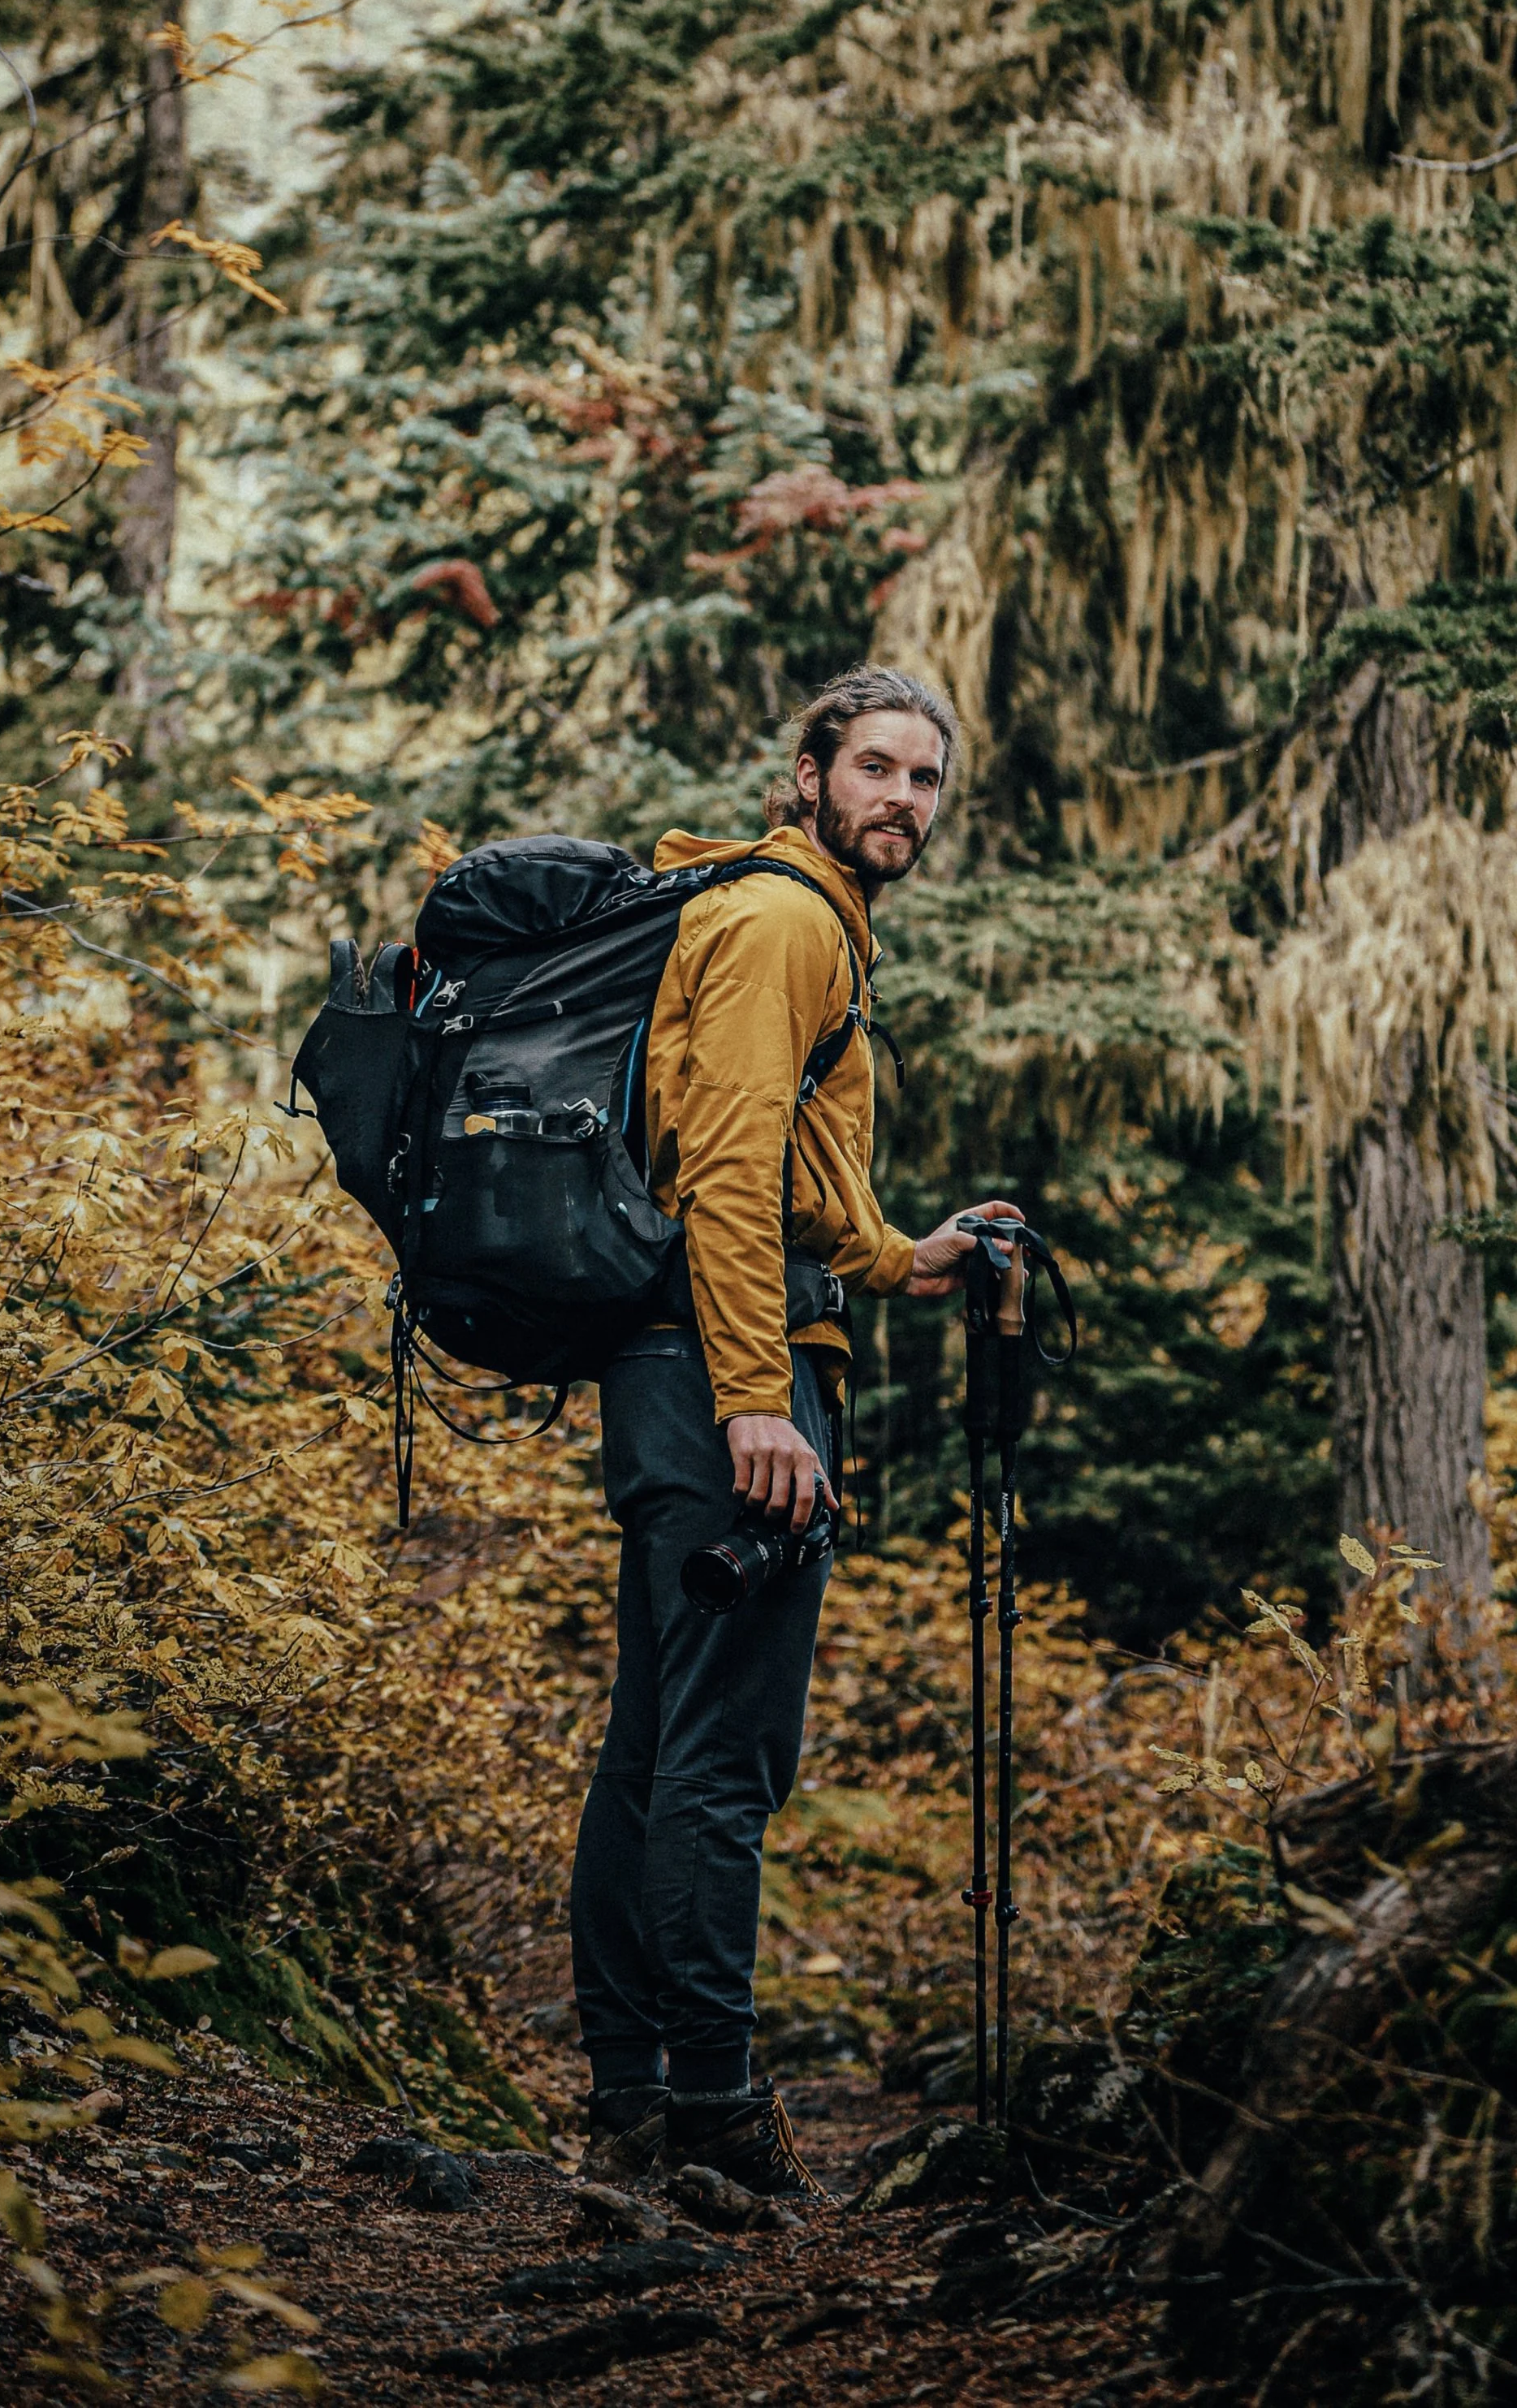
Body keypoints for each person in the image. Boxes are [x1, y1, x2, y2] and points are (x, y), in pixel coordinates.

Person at [567, 664, 1020, 2198]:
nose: (903, 799)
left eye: (926, 779)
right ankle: (711, 2109)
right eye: (878, 768)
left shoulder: (797, 917)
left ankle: (634, 2089)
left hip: (689, 1359)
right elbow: (727, 1170)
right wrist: (759, 1396)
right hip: (721, 1370)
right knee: (721, 1756)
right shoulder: (780, 920)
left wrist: (908, 1255)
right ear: (812, 770)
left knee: (656, 1744)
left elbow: (800, 1171)